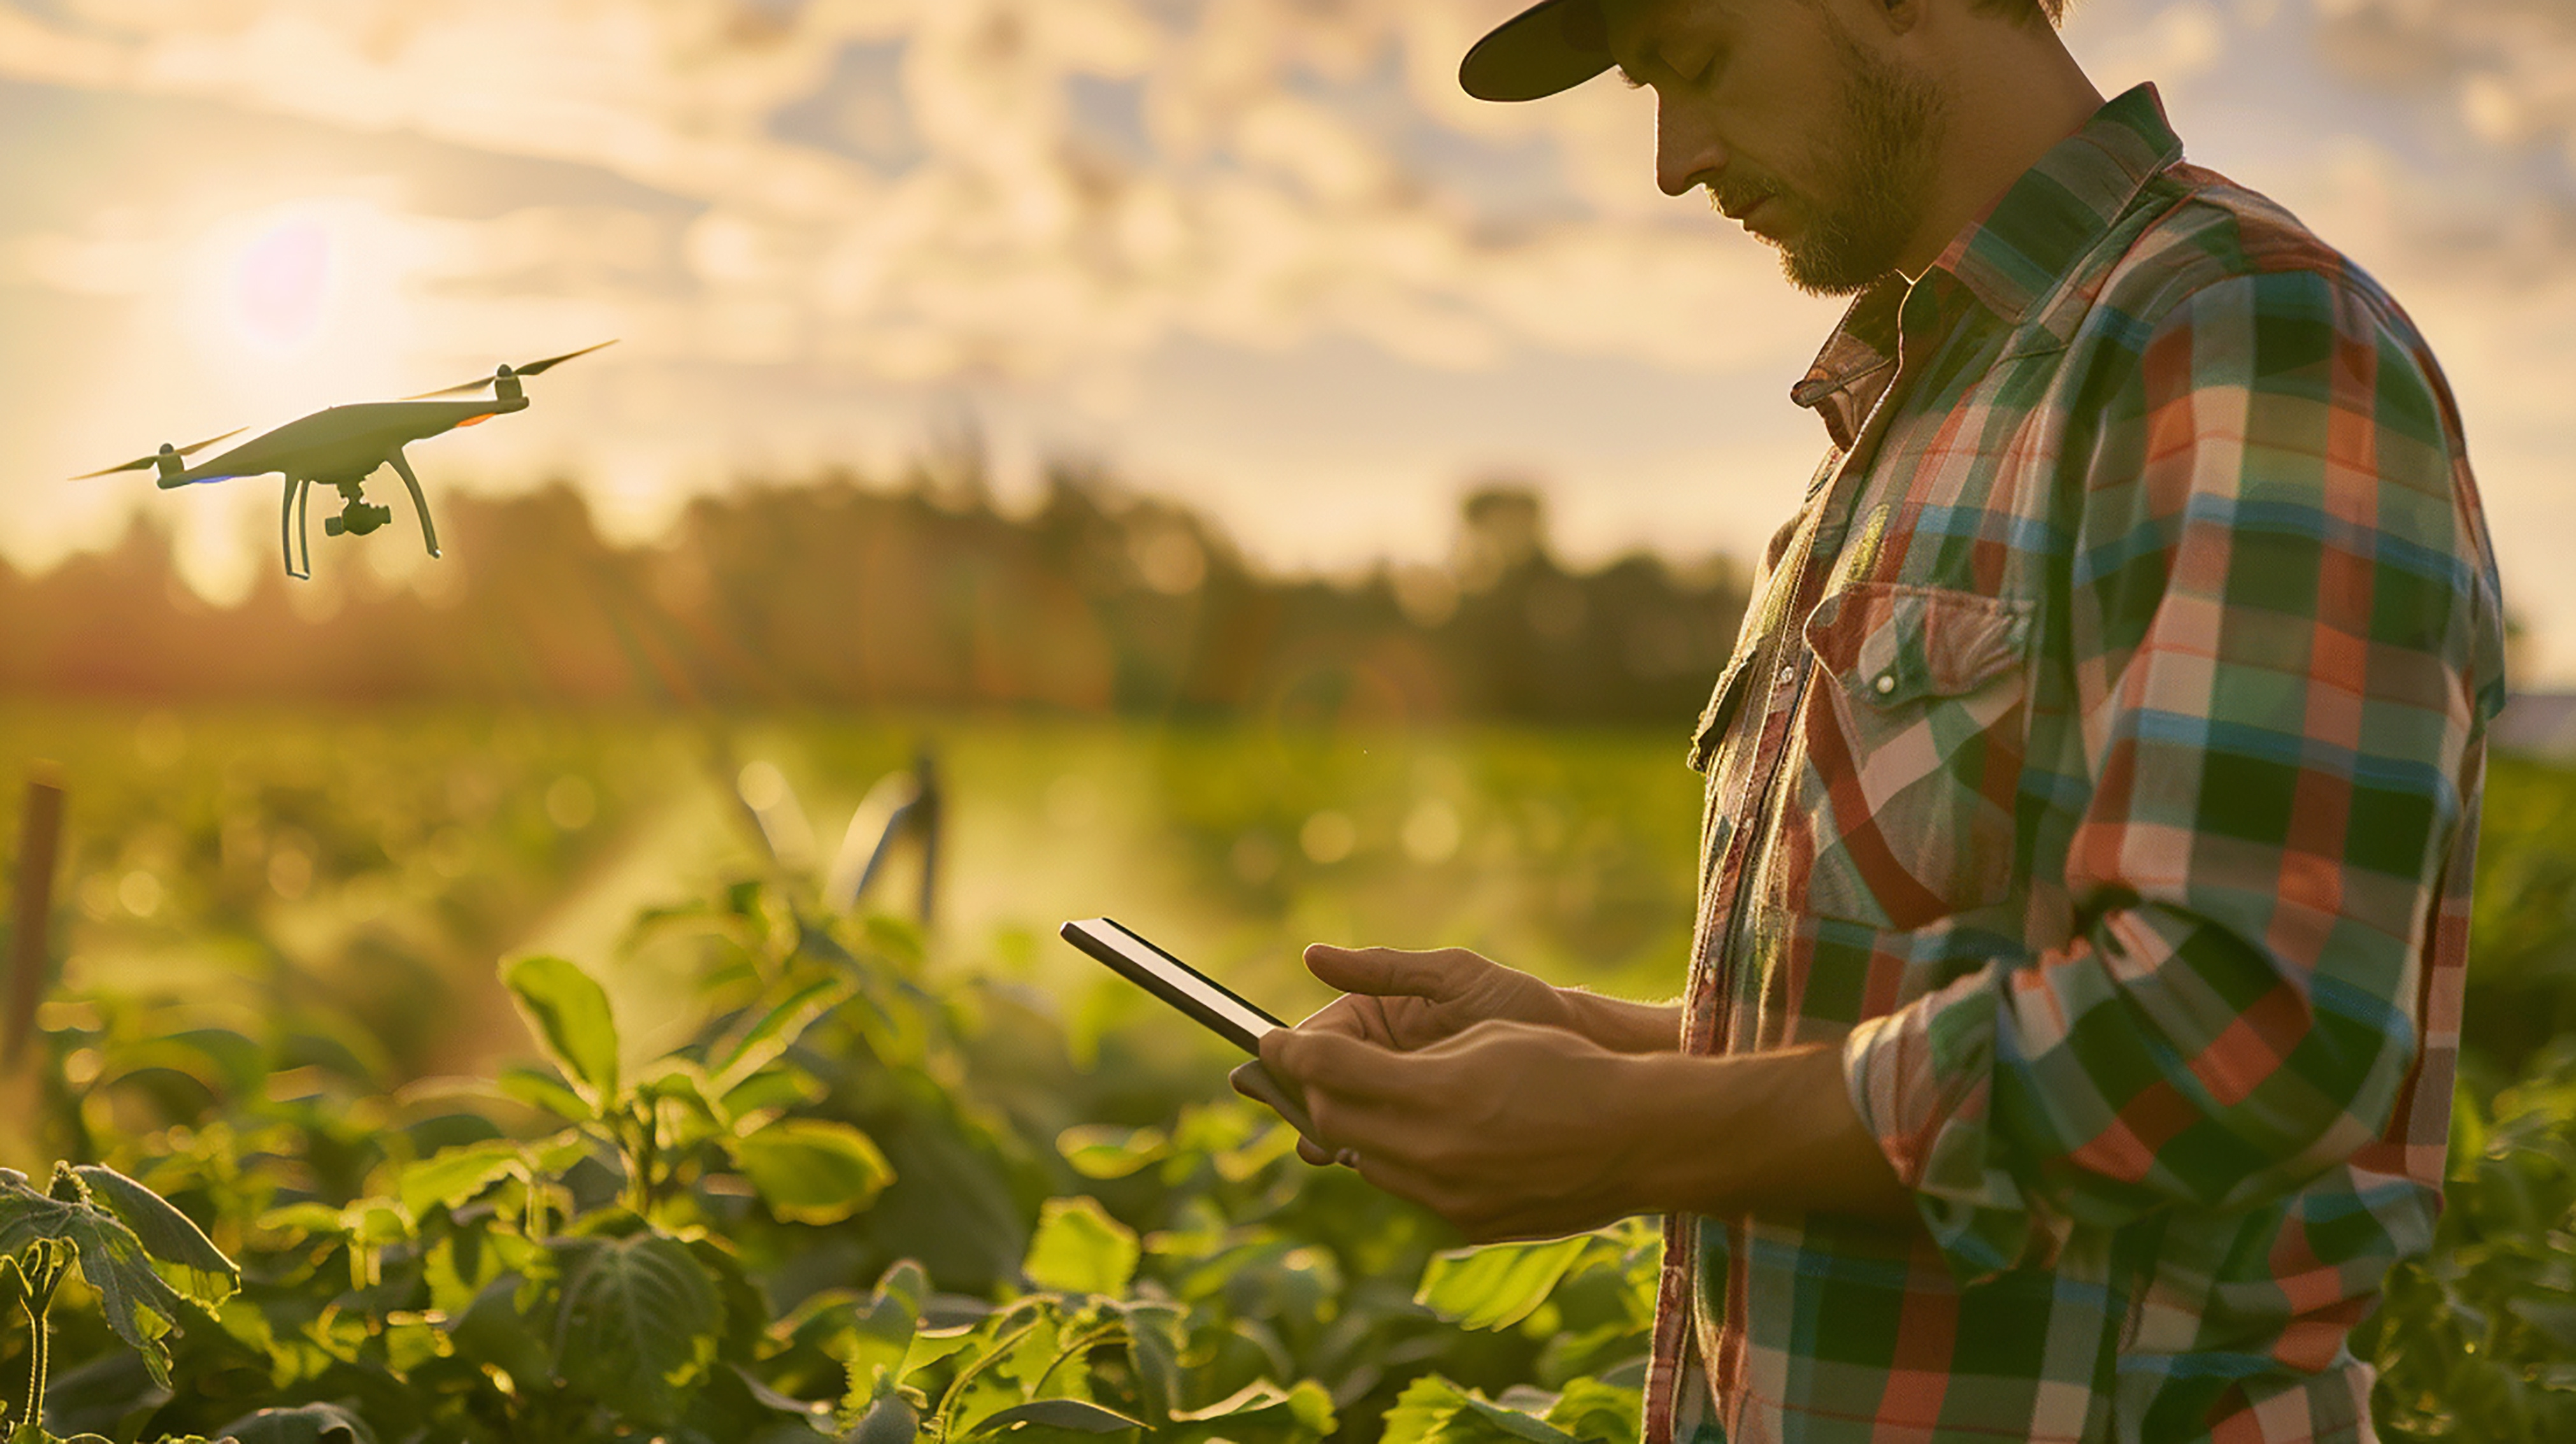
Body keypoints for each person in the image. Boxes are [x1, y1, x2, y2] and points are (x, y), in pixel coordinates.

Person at [1236, 1, 2508, 1440]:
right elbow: (1911, 1020)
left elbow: (2240, 1024)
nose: (1671, 159)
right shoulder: (1907, 415)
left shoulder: (2240, 337)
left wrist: (1635, 1136)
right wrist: (1603, 1042)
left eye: (1699, 63)